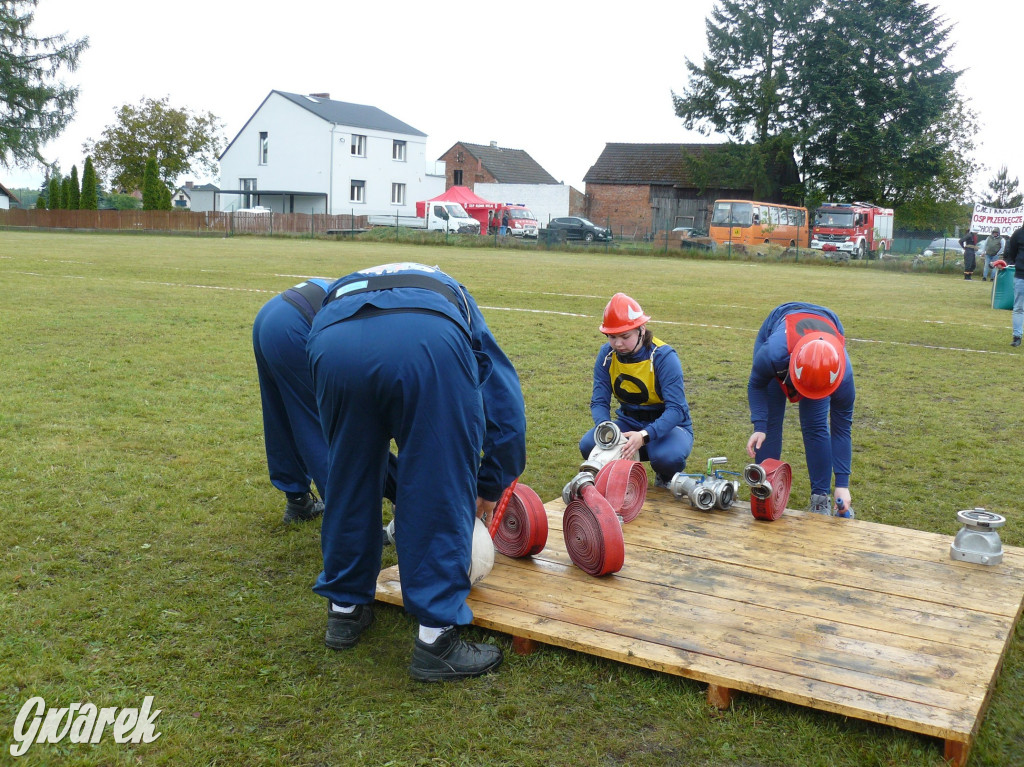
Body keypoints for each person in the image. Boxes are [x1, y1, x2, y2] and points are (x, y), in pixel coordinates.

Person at [306, 262, 527, 682]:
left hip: (331, 340)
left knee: (349, 479)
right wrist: (491, 481)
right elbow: (506, 409)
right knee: (436, 484)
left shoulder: (356, 279)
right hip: (428, 343)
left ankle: (344, 612)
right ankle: (436, 641)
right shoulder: (456, 293)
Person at [746, 302, 855, 517]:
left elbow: (841, 429)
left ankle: (820, 499)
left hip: (825, 327)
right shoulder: (772, 354)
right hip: (780, 329)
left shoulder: (844, 377)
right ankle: (764, 492)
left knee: (815, 423)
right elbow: (756, 383)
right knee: (770, 423)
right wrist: (759, 425)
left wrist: (842, 483)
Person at [579, 293, 693, 486]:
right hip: (628, 421)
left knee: (666, 458)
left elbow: (676, 410)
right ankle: (621, 477)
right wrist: (607, 427)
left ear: (642, 329)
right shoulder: (606, 355)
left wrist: (644, 435)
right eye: (612, 337)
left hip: (669, 425)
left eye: (625, 336)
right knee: (590, 444)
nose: (618, 344)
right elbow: (599, 401)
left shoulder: (664, 357)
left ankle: (665, 477)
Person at [1004, 224, 1024, 346]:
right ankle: (1017, 337)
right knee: (1018, 308)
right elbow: (1012, 253)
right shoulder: (1018, 234)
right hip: (1021, 276)